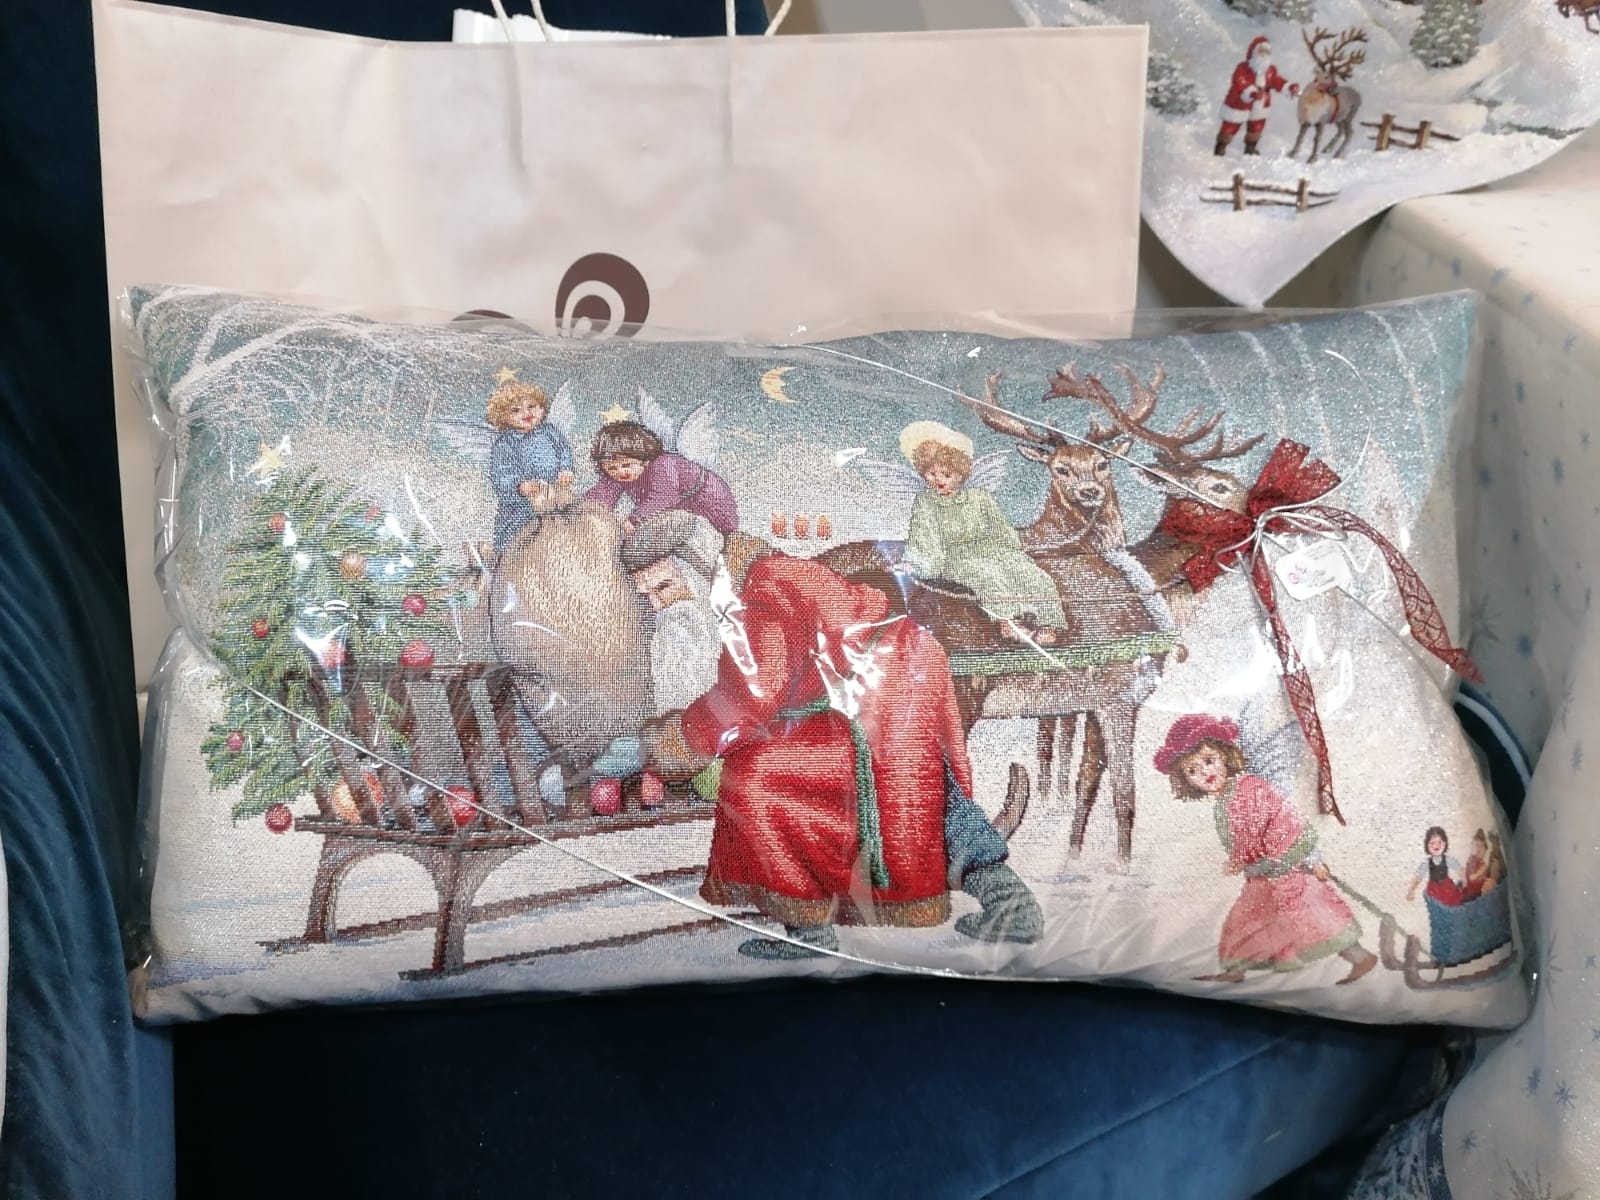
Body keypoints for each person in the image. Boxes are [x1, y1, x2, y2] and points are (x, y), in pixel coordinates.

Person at [626, 521, 1041, 959]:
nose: (659, 603)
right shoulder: (775, 573)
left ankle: (807, 930)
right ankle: (1011, 904)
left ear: (699, 571)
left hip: (874, 693)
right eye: (646, 595)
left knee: (758, 781)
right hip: (897, 676)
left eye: (666, 587)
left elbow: (754, 691)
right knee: (919, 796)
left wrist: (680, 740)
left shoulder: (762, 592)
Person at [1154, 713, 1379, 986]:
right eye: (1191, 770)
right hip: (1261, 874)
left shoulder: (1248, 787)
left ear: (1225, 755)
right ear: (1185, 780)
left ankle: (1360, 957)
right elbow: (1244, 836)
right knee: (1245, 919)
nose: (1203, 772)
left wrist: (1313, 859)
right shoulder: (1224, 800)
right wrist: (1241, 860)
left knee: (1312, 912)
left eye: (1209, 761)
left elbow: (1277, 822)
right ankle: (1234, 970)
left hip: (1286, 866)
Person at [898, 422, 1067, 646]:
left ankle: (1047, 623)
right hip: (955, 557)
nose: (939, 480)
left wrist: (1011, 552)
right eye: (931, 474)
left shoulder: (980, 497)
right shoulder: (926, 502)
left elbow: (1000, 528)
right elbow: (922, 533)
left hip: (995, 551)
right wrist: (915, 562)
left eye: (946, 474)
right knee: (987, 575)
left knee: (1030, 573)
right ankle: (1008, 622)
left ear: (960, 474)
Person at [584, 418, 739, 538]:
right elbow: (601, 496)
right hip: (675, 512)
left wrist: (635, 519)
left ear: (643, 458)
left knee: (723, 538)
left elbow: (664, 497)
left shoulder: (662, 464)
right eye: (611, 468)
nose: (620, 472)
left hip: (710, 501)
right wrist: (584, 510)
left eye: (626, 465)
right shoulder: (617, 476)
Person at [487, 374, 575, 555]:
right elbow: (502, 473)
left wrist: (566, 469)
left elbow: (564, 451)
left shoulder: (550, 432)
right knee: (514, 535)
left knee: (573, 520)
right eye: (515, 410)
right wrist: (519, 485)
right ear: (503, 418)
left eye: (531, 406)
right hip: (521, 504)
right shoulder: (505, 443)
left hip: (555, 493)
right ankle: (500, 559)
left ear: (542, 408)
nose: (526, 413)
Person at [1215, 35, 1298, 158]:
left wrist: (1289, 87)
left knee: (1257, 126)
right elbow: (1239, 81)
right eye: (1261, 51)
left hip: (1260, 103)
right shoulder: (1243, 68)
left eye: (1267, 52)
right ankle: (1221, 146)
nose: (1264, 54)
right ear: (1253, 52)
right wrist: (1251, 92)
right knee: (1231, 125)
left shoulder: (1270, 70)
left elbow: (1277, 81)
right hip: (1240, 102)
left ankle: (1250, 147)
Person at [1407, 826, 1465, 906]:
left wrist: (1465, 881)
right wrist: (1411, 889)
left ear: (1444, 843)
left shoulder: (1448, 860)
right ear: (1427, 845)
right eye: (1432, 843)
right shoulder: (1427, 863)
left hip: (1447, 889)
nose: (1436, 846)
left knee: (1452, 902)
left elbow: (1460, 870)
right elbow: (1418, 877)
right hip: (1434, 891)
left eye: (1439, 842)